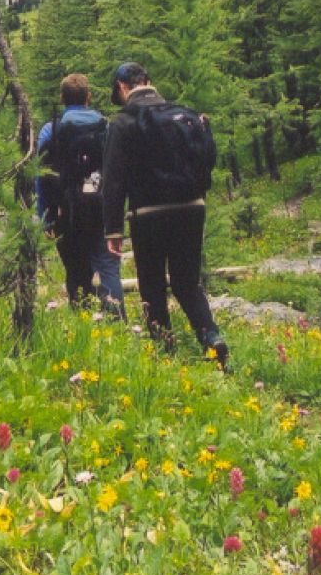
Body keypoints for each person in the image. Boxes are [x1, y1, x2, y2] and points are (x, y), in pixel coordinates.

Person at [101, 62, 229, 367]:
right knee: (187, 282)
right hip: (192, 207)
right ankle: (211, 338)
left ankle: (164, 352)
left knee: (152, 283)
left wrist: (113, 229)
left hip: (149, 212)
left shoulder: (122, 122)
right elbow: (205, 160)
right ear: (148, 81)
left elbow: (113, 179)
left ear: (122, 87)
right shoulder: (184, 114)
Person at [37, 74, 126, 318]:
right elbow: (118, 170)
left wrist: (44, 216)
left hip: (68, 212)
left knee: (76, 270)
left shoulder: (51, 129)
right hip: (102, 207)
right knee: (108, 267)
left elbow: (41, 175)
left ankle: (82, 323)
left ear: (62, 98)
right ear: (89, 97)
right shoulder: (106, 126)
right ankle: (116, 322)